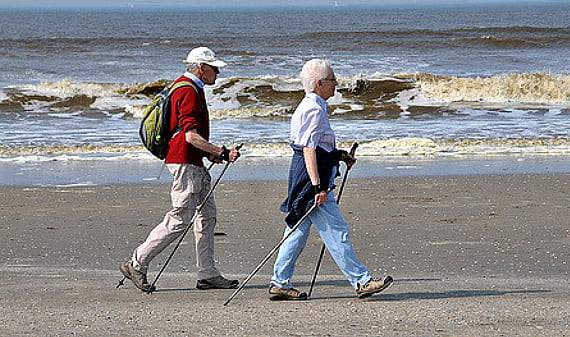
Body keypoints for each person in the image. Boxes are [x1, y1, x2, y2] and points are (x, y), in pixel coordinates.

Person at [269, 59, 393, 300]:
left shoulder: (310, 105)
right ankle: (361, 281)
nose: (336, 84)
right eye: (333, 80)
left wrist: (340, 155)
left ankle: (280, 282)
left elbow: (317, 146)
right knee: (336, 230)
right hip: (310, 176)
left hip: (305, 172)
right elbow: (308, 149)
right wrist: (317, 187)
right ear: (320, 83)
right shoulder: (314, 109)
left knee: (297, 230)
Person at [120, 47, 241, 292]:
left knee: (207, 217)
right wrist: (221, 152)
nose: (217, 71)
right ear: (200, 67)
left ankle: (207, 274)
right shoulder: (188, 91)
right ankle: (137, 262)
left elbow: (188, 135)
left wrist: (208, 154)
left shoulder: (188, 87)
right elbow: (189, 137)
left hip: (191, 161)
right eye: (213, 67)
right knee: (178, 220)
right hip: (184, 162)